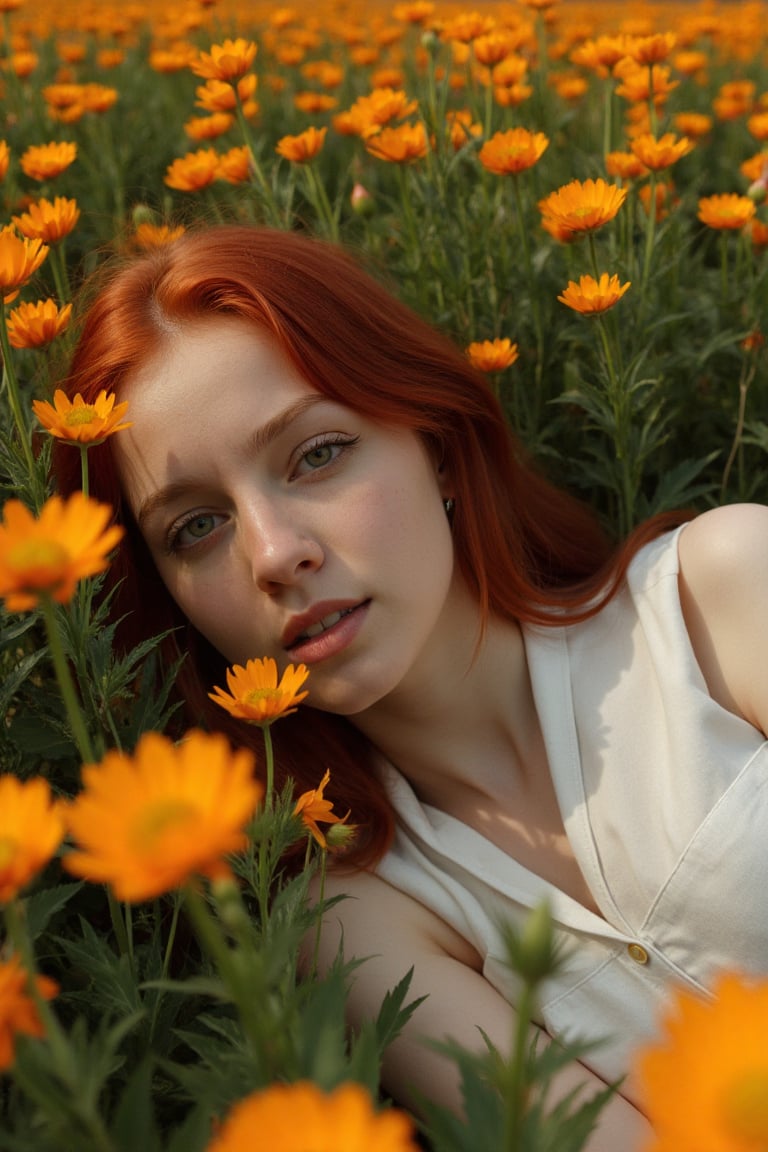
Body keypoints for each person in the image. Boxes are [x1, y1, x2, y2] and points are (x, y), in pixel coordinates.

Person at [53, 224, 768, 1149]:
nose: (274, 553)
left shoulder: (722, 595)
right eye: (196, 527)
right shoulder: (353, 917)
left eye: (316, 454)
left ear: (430, 436)